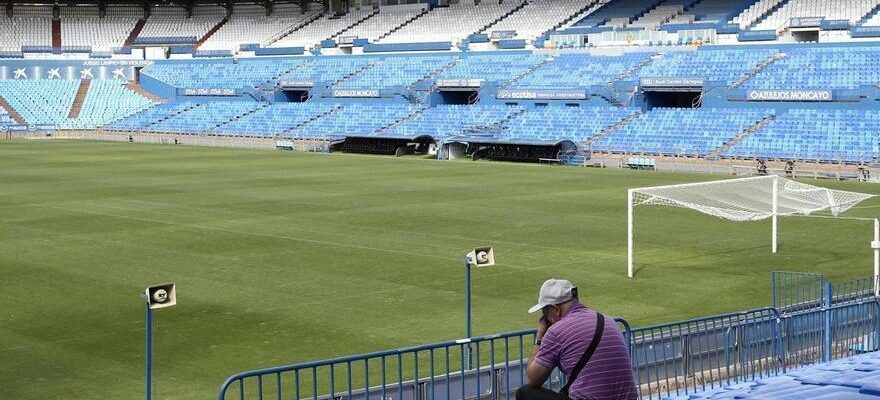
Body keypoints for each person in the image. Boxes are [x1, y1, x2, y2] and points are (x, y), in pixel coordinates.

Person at [516, 279, 638, 400]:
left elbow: (533, 379)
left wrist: (539, 337)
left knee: (525, 392)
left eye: (545, 313)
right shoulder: (609, 320)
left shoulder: (556, 331)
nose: (545, 319)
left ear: (556, 309)